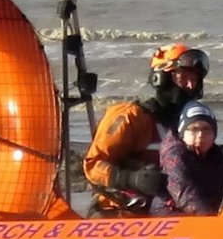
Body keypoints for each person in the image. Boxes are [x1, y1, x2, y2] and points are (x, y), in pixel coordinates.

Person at [84, 43, 209, 216]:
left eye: (194, 80)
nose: (189, 86)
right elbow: (92, 166)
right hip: (118, 210)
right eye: (184, 77)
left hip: (168, 211)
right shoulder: (130, 117)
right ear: (161, 77)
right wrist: (132, 179)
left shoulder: (190, 126)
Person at [152, 100, 223, 216]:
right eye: (194, 129)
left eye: (206, 129)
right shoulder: (174, 154)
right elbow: (184, 193)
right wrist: (211, 218)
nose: (200, 135)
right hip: (168, 211)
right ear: (183, 133)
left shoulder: (218, 156)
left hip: (205, 210)